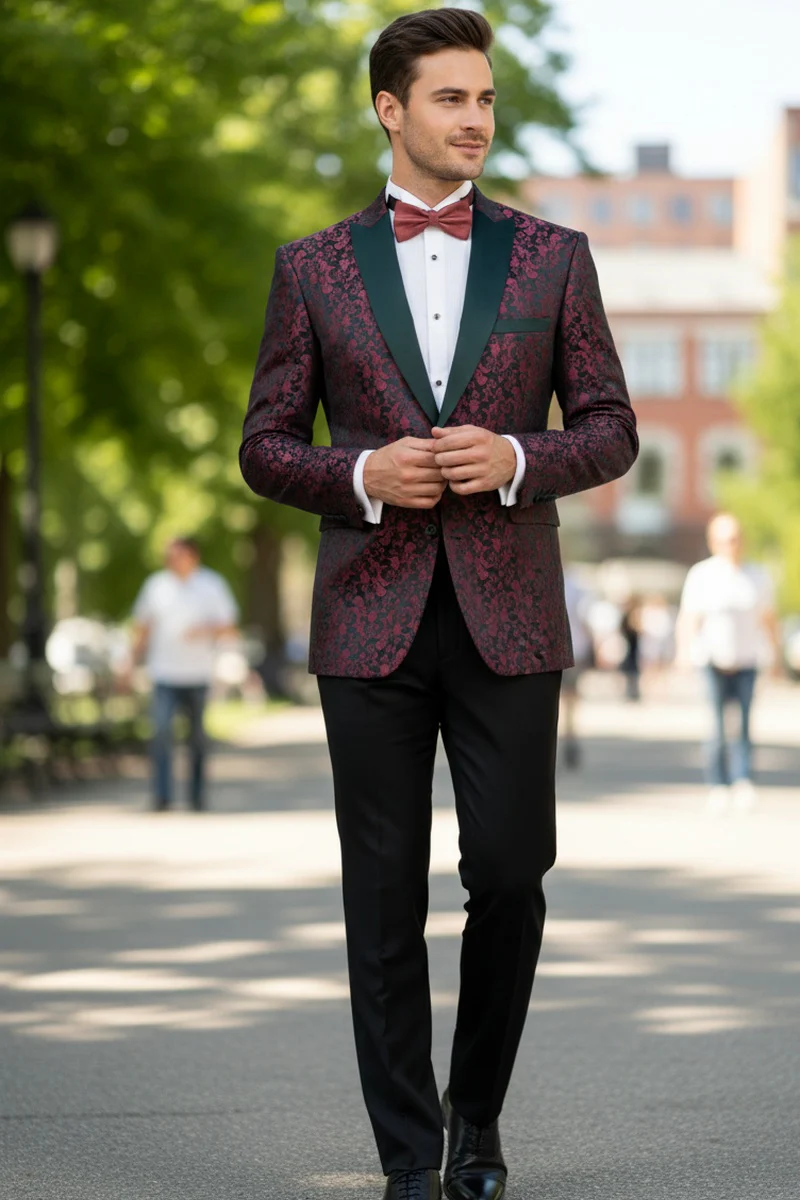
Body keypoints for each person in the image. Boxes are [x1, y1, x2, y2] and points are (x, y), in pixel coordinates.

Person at [240, 10, 637, 1199]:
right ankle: (412, 1157)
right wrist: (360, 474)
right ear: (389, 109)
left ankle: (478, 1116)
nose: (474, 119)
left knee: (511, 872)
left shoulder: (550, 255)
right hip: (367, 619)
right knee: (380, 899)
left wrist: (515, 457)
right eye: (450, 99)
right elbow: (265, 447)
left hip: (509, 612)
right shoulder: (309, 265)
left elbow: (609, 426)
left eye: (485, 100)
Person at [676, 512, 780, 813]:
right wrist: (684, 652)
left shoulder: (757, 575)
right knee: (718, 727)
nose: (730, 545)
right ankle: (718, 784)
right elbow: (689, 619)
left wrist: (774, 656)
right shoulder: (702, 575)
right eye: (723, 539)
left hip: (747, 659)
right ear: (713, 542)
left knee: (745, 724)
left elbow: (768, 619)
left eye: (734, 539)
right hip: (713, 661)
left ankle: (743, 779)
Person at [131, 537, 238, 812]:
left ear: (193, 556)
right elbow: (142, 628)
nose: (172, 561)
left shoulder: (211, 585)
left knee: (197, 739)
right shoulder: (155, 586)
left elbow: (229, 628)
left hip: (198, 674)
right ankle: (162, 795)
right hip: (163, 673)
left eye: (177, 555)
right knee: (161, 733)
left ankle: (196, 796)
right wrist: (129, 663)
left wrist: (203, 630)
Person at [561, 568, 594, 768]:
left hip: (567, 648)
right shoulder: (576, 585)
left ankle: (567, 737)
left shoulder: (575, 583)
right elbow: (586, 618)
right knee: (570, 700)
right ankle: (569, 736)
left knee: (564, 698)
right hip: (573, 649)